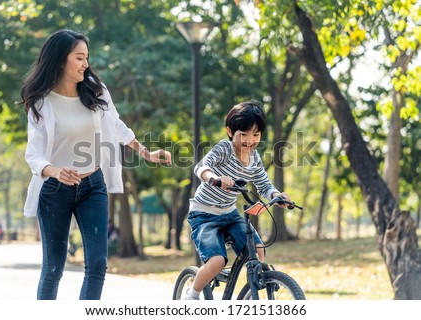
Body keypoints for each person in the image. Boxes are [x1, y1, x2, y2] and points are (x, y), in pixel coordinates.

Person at [20, 29, 171, 300]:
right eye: (79, 58)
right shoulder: (42, 103)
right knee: (53, 269)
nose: (86, 64)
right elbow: (34, 153)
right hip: (55, 190)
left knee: (98, 266)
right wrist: (55, 171)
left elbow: (116, 125)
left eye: (87, 57)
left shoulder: (95, 92)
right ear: (60, 61)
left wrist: (145, 152)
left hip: (93, 186)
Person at [184, 101, 292, 300]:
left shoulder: (255, 158)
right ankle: (192, 294)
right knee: (216, 262)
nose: (249, 140)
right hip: (203, 214)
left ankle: (252, 294)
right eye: (243, 134)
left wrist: (277, 196)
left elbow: (264, 185)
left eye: (256, 134)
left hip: (229, 213)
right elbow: (201, 166)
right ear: (230, 131)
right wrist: (214, 178)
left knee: (259, 252)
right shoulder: (224, 149)